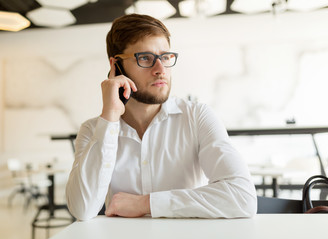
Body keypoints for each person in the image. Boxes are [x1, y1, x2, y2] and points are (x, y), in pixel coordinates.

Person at [66, 14, 257, 220]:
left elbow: (242, 197)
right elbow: (82, 209)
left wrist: (146, 203)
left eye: (165, 57)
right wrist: (110, 116)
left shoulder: (196, 116)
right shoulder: (93, 130)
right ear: (116, 66)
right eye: (145, 58)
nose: (161, 70)